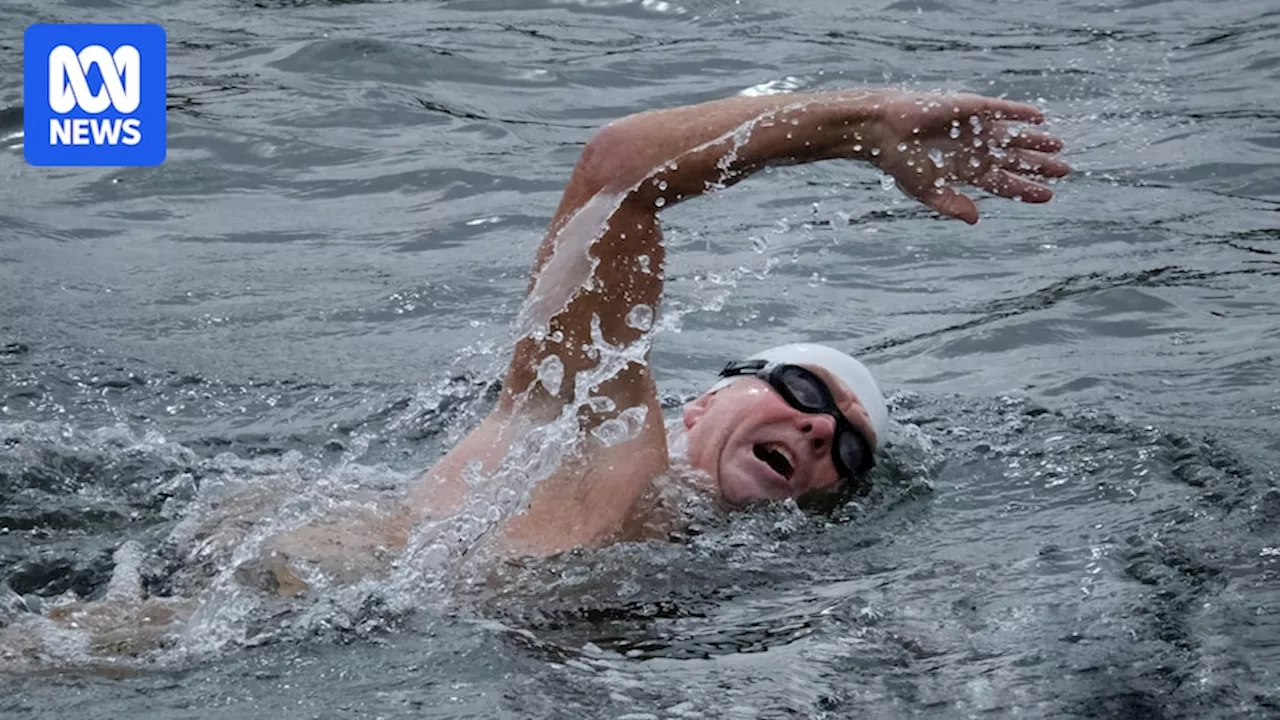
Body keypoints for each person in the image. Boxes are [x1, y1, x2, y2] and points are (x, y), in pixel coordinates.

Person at [381, 86, 1070, 559]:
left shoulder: (715, 569)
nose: (823, 427)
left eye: (852, 452)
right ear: (705, 402)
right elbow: (618, 171)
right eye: (803, 388)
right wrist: (862, 127)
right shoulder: (591, 431)